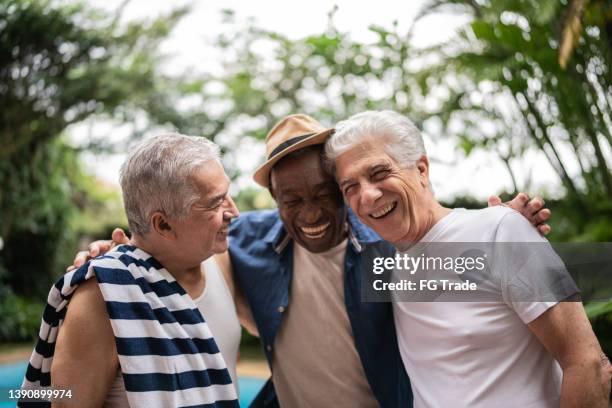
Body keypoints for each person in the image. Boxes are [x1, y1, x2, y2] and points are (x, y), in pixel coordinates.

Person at [74, 114, 553, 407]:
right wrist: (114, 258)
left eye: (327, 194)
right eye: (290, 200)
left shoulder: (389, 250)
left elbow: (435, 232)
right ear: (160, 225)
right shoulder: (235, 247)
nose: (310, 215)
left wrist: (499, 229)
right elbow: (43, 398)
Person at [325, 110, 612, 407]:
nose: (368, 195)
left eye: (379, 173)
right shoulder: (389, 265)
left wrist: (509, 226)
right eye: (351, 188)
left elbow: (588, 364)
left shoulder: (500, 231)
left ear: (421, 169)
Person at [22, 134, 241, 408]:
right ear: (162, 225)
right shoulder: (104, 295)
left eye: (227, 194)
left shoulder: (222, 261)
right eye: (215, 203)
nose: (234, 211)